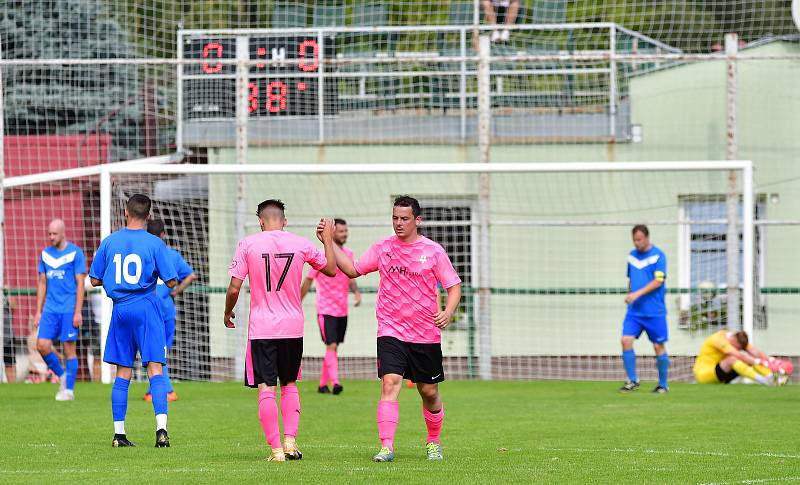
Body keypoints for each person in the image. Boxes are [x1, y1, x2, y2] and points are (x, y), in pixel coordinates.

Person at [331, 195, 462, 463]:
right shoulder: (383, 248)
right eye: (395, 218)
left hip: (425, 333)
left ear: (417, 220)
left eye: (404, 219)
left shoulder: (434, 251)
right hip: (391, 329)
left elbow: (453, 286)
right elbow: (353, 269)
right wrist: (328, 242)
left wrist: (448, 312)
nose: (399, 223)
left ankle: (433, 441)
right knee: (390, 383)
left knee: (429, 392)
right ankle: (386, 446)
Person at [224, 199, 336, 462]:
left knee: (266, 388)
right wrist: (327, 240)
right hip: (292, 327)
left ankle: (276, 451)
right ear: (284, 221)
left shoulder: (248, 244)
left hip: (262, 328)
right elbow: (331, 269)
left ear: (260, 221)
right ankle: (290, 443)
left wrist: (227, 311)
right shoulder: (300, 243)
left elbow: (234, 288)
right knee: (289, 383)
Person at [89, 194, 178, 448]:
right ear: (148, 217)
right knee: (155, 368)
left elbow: (94, 279)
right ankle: (161, 431)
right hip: (146, 307)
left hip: (120, 310)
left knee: (123, 372)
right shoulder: (154, 243)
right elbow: (171, 281)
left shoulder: (109, 242)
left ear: (126, 213)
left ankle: (119, 434)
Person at [300, 218, 362, 395]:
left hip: (342, 310)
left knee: (333, 348)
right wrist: (297, 302)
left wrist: (356, 292)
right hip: (325, 310)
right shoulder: (321, 256)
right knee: (332, 346)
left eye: (346, 231)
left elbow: (351, 276)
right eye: (341, 231)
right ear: (332, 233)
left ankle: (322, 384)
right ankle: (335, 382)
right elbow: (309, 280)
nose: (345, 234)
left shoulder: (348, 254)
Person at [143, 219, 197, 402]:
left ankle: (165, 390)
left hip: (148, 310)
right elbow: (191, 275)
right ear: (163, 235)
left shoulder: (143, 254)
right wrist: (175, 292)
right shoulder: (171, 256)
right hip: (166, 311)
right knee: (161, 350)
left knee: (154, 351)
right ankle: (159, 389)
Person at [34, 219, 87, 400]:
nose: (51, 237)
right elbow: (42, 283)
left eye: (54, 234)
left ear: (63, 233)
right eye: (49, 233)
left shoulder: (75, 253)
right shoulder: (45, 254)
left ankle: (69, 391)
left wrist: (78, 311)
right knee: (41, 345)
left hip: (68, 308)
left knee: (68, 349)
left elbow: (81, 284)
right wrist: (38, 311)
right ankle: (62, 376)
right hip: (49, 308)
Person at [619, 224, 670, 394]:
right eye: (634, 239)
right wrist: (629, 294)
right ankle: (632, 381)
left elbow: (658, 281)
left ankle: (663, 384)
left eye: (639, 239)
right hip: (634, 312)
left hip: (654, 311)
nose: (636, 243)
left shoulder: (659, 256)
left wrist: (637, 294)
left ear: (647, 237)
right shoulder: (631, 257)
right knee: (626, 340)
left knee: (658, 347)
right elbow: (631, 280)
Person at [693, 330, 778, 385]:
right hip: (704, 374)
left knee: (748, 359)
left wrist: (772, 361)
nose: (738, 349)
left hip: (721, 374)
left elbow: (755, 352)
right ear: (734, 340)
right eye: (738, 348)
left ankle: (772, 378)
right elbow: (739, 355)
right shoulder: (719, 339)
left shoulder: (736, 339)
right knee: (733, 358)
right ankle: (764, 381)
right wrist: (763, 362)